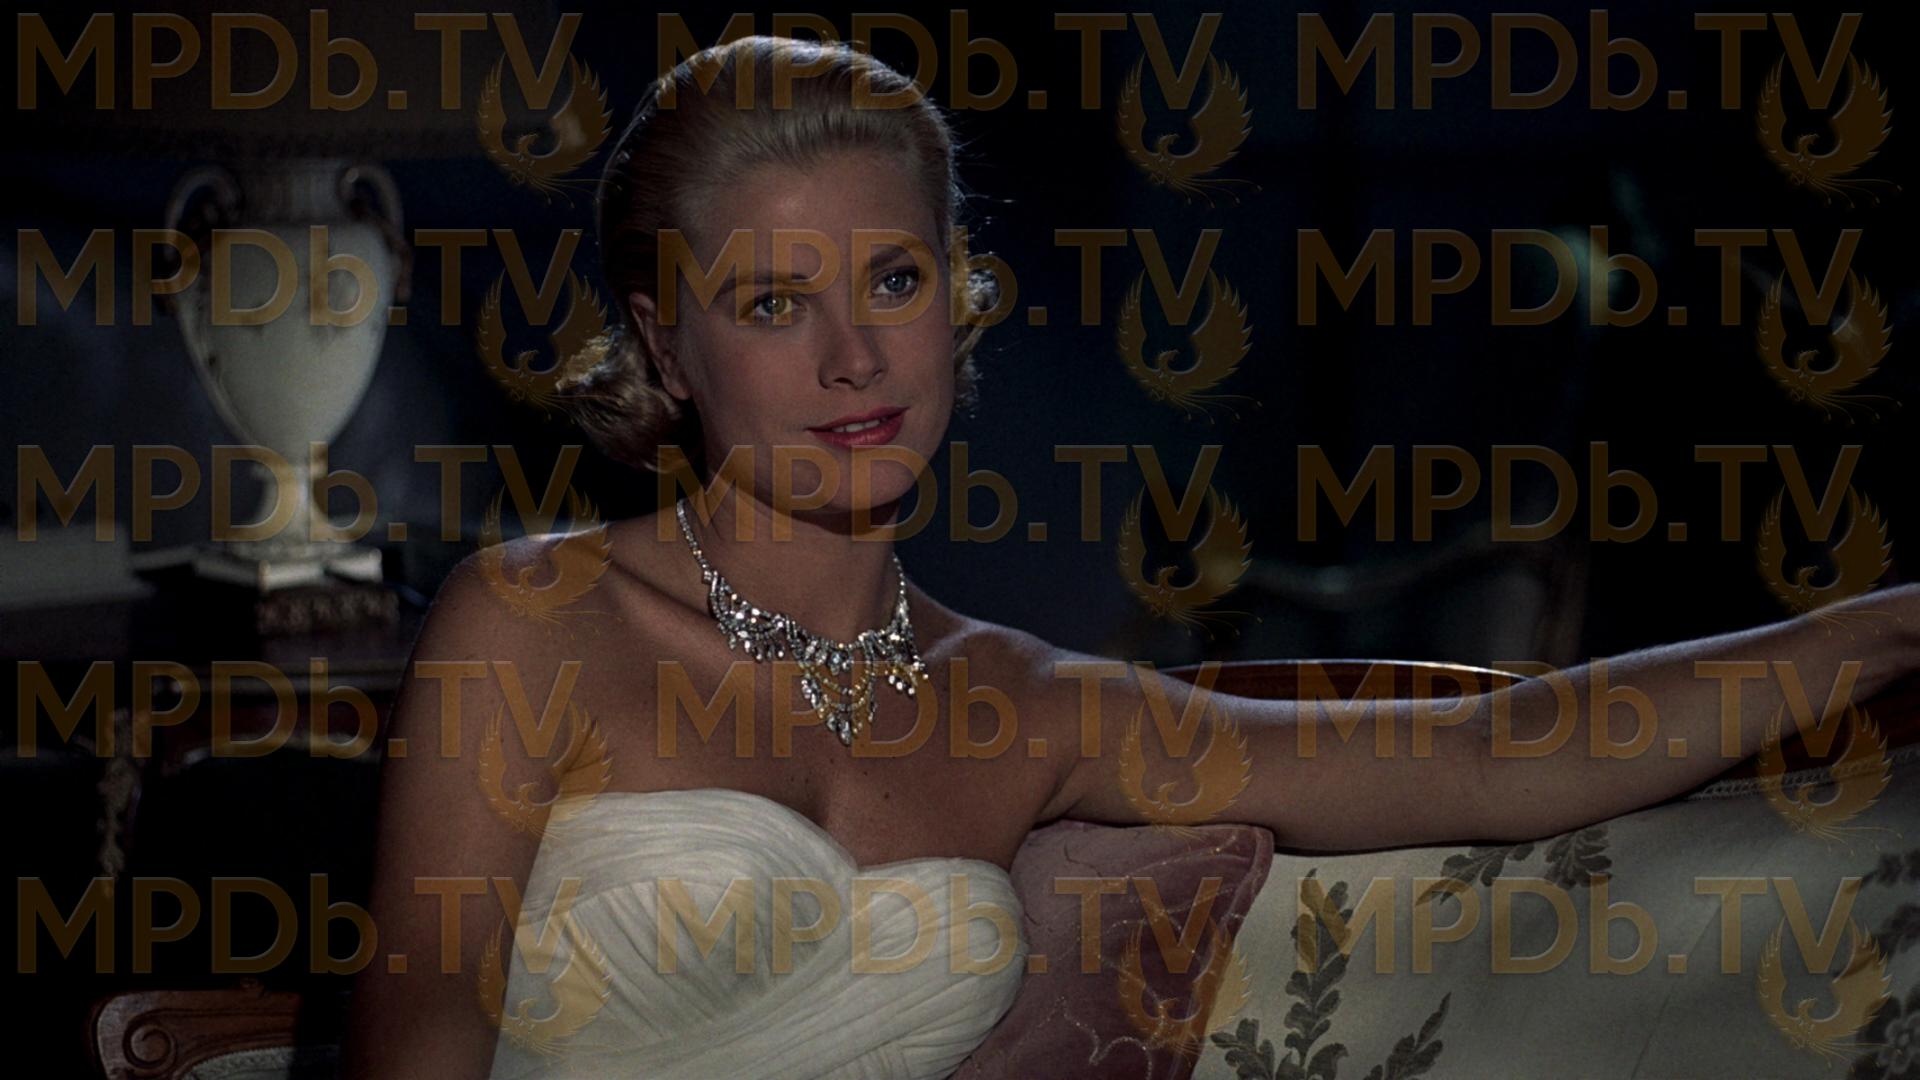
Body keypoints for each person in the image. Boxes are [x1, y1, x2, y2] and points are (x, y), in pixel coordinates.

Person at [342, 35, 1920, 1079]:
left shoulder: (1030, 704)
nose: (853, 357)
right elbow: (414, 1041)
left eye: (893, 279)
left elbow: (1495, 753)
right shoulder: (534, 622)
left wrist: (1896, 624)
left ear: (955, 298)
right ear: (663, 346)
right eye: (772, 304)